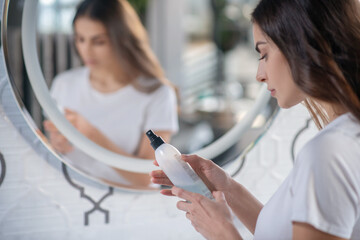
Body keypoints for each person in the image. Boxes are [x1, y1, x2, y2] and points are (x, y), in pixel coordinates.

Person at [150, 0, 360, 239]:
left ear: (302, 45)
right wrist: (227, 187)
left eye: (264, 54)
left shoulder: (328, 152)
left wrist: (224, 233)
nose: (260, 75)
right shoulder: (345, 137)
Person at [44, 0, 178, 186]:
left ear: (122, 40)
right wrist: (55, 145)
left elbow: (147, 178)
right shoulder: (64, 84)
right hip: (71, 198)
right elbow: (54, 156)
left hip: (130, 206)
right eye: (80, 39)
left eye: (99, 41)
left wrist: (92, 135)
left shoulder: (158, 94)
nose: (86, 50)